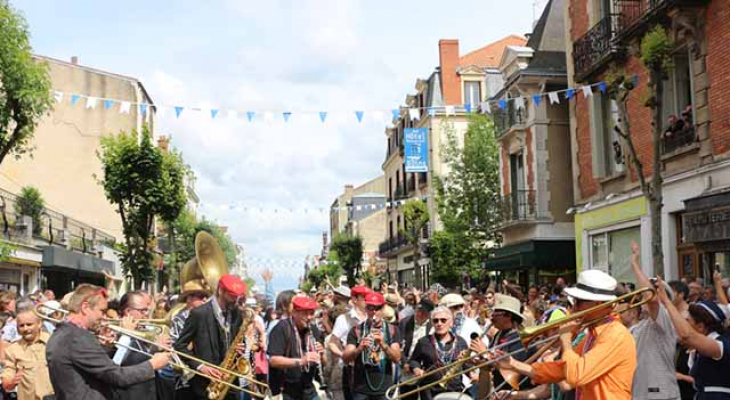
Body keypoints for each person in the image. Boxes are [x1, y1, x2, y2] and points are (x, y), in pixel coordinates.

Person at [494, 270, 637, 400]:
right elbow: (562, 369)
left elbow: (575, 376)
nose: (574, 307)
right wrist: (513, 364)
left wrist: (566, 340)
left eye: (579, 302)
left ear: (598, 303)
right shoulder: (594, 333)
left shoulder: (615, 334)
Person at [46, 284, 171, 400]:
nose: (104, 317)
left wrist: (108, 348)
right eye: (102, 311)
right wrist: (153, 364)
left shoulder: (63, 333)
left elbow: (89, 367)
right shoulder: (76, 337)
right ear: (85, 307)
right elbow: (116, 376)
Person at [174, 274, 248, 400]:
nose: (235, 300)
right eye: (232, 296)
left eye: (237, 297)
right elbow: (179, 345)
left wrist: (241, 347)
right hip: (205, 386)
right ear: (220, 291)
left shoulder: (236, 314)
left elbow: (240, 340)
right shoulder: (199, 314)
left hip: (229, 384)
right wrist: (200, 366)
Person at [621, 242, 680, 400]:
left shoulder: (665, 316)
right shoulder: (637, 327)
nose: (643, 298)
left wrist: (634, 264)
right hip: (639, 393)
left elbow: (651, 299)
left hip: (660, 395)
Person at [656, 275, 730, 399]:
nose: (685, 324)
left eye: (688, 321)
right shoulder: (699, 348)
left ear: (700, 326)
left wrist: (667, 301)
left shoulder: (718, 344)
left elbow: (686, 335)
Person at [342, 292, 401, 400]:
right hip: (361, 389)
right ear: (366, 309)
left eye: (377, 308)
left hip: (384, 389)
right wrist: (359, 349)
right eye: (370, 308)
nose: (374, 312)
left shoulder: (392, 330)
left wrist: (383, 344)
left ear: (383, 309)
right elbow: (345, 358)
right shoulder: (356, 330)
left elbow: (397, 358)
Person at [268, 296, 325, 400]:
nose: (309, 317)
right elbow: (273, 360)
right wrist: (301, 361)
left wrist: (322, 354)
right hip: (286, 390)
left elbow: (323, 362)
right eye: (304, 313)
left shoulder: (313, 329)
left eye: (311, 313)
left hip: (308, 388)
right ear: (294, 312)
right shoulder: (282, 328)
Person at [408, 306, 469, 400]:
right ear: (432, 323)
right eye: (435, 321)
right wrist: (416, 369)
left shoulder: (461, 342)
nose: (439, 324)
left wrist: (473, 374)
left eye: (443, 320)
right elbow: (414, 360)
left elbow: (466, 365)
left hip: (455, 391)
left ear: (451, 323)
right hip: (430, 392)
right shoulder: (424, 341)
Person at [162, 281, 210, 400]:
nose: (204, 299)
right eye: (198, 297)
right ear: (188, 299)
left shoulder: (209, 316)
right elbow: (175, 347)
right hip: (189, 376)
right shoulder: (180, 318)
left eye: (205, 296)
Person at [113, 290, 160, 400]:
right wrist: (127, 334)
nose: (146, 315)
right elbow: (114, 364)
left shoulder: (143, 330)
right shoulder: (113, 332)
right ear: (128, 311)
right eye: (143, 311)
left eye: (147, 311)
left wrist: (156, 347)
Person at [0, 309, 54, 400]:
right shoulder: (12, 350)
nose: (25, 329)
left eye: (29, 324)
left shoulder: (53, 342)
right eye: (21, 326)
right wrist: (11, 382)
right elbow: (7, 379)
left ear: (39, 324)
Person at [331, 286, 369, 400]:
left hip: (370, 369)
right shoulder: (344, 319)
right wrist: (344, 355)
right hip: (352, 369)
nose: (367, 300)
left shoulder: (372, 317)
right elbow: (332, 343)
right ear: (354, 299)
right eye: (364, 298)